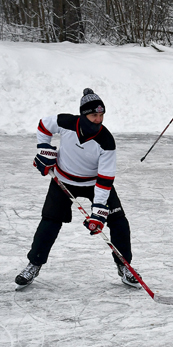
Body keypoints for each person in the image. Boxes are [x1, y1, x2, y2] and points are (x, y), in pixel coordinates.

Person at [15, 88, 139, 290]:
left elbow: (105, 179)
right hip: (63, 180)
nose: (98, 120)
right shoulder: (66, 122)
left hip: (94, 183)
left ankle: (124, 266)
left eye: (101, 115)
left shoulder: (106, 141)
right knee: (50, 221)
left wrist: (99, 210)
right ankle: (34, 264)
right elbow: (43, 125)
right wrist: (44, 150)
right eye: (94, 116)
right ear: (83, 114)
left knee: (118, 222)